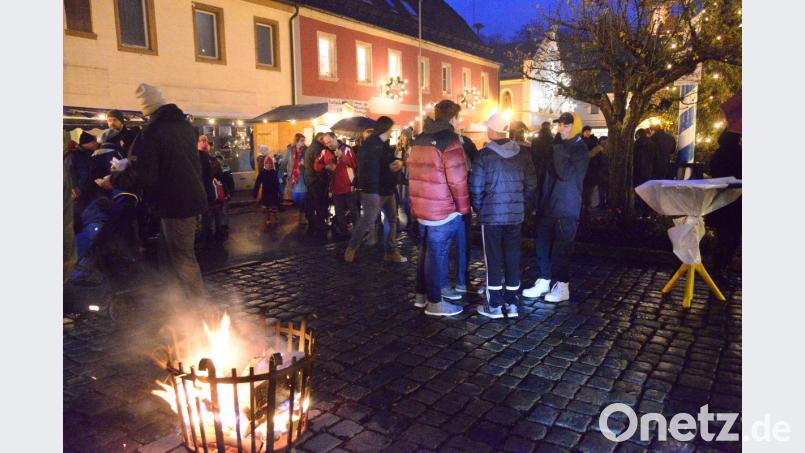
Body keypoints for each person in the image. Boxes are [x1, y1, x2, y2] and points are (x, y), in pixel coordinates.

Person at [100, 83, 208, 298]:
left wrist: (113, 179)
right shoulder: (184, 126)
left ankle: (197, 308)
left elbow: (145, 173)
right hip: (188, 199)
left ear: (146, 109)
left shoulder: (154, 130)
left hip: (174, 202)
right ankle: (179, 303)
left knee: (182, 257)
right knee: (174, 256)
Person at [471, 113, 538, 318]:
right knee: (512, 255)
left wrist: (480, 208)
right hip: (515, 215)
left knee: (492, 257)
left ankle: (495, 304)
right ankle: (512, 301)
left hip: (491, 216)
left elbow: (476, 187)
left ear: (492, 131)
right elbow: (532, 185)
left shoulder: (484, 155)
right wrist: (520, 204)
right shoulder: (523, 155)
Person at [409, 100, 470, 317]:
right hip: (442, 209)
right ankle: (435, 301)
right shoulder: (450, 140)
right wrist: (463, 209)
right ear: (453, 118)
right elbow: (457, 179)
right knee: (436, 255)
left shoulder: (419, 139)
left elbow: (412, 175)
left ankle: (422, 296)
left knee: (427, 252)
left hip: (423, 206)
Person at [522, 112, 589, 303]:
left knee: (561, 249)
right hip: (549, 204)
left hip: (566, 206)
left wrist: (558, 148)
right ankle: (544, 280)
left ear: (575, 127)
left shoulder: (579, 149)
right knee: (542, 244)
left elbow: (565, 174)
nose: (561, 129)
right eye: (560, 125)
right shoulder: (557, 146)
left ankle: (562, 285)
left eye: (566, 126)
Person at [344, 116, 406, 263]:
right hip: (374, 190)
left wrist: (397, 164)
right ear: (385, 129)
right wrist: (389, 168)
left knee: (392, 219)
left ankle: (391, 251)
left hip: (387, 188)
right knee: (367, 220)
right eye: (390, 130)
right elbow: (368, 169)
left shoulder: (384, 144)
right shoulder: (370, 145)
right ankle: (351, 248)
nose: (391, 133)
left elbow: (387, 162)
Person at [707, 130, 741, 276]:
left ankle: (718, 266)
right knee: (733, 236)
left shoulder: (718, 154)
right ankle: (723, 266)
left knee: (723, 236)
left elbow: (714, 171)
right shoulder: (739, 154)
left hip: (721, 201)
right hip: (736, 200)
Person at [319, 132, 359, 239]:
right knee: (339, 211)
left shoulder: (347, 149)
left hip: (348, 186)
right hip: (335, 187)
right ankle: (344, 233)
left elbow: (354, 164)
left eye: (330, 142)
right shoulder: (324, 152)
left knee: (354, 210)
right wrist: (325, 166)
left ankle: (358, 233)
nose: (328, 145)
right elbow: (317, 165)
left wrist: (342, 157)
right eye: (326, 143)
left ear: (335, 138)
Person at [304, 132, 328, 237]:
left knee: (311, 205)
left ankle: (312, 226)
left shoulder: (311, 147)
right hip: (317, 182)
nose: (325, 142)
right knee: (320, 205)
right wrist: (324, 180)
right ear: (319, 138)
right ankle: (319, 227)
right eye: (323, 139)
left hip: (310, 180)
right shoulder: (318, 149)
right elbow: (319, 167)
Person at [253, 153, 281, 227]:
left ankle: (275, 217)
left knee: (274, 205)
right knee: (267, 207)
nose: (269, 164)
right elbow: (257, 183)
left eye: (270, 163)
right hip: (266, 192)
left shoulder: (274, 172)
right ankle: (268, 219)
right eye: (267, 163)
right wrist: (255, 193)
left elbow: (277, 182)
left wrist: (279, 191)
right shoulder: (262, 173)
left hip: (274, 192)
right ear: (265, 164)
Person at [287, 134, 308, 225]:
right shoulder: (290, 150)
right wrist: (281, 174)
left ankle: (302, 215)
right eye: (302, 140)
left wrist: (305, 164)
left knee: (303, 198)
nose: (303, 143)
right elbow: (285, 162)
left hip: (303, 177)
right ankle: (301, 212)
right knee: (295, 198)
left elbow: (310, 164)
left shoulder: (306, 150)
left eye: (304, 140)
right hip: (293, 177)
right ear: (296, 141)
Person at [214, 155, 234, 240]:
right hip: (218, 194)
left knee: (224, 210)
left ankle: (224, 226)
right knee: (220, 210)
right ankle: (221, 226)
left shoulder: (224, 170)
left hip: (224, 193)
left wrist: (229, 193)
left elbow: (230, 182)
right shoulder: (216, 170)